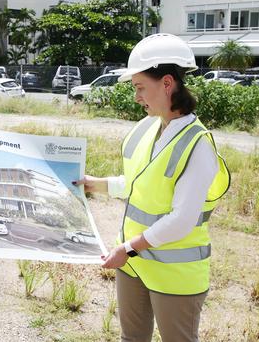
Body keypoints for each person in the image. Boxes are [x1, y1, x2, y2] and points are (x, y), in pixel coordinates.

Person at [74, 33, 230, 342]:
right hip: (134, 264)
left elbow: (182, 220)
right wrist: (96, 185)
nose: (136, 97)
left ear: (168, 83)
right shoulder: (149, 127)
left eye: (140, 87)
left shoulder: (197, 145)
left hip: (174, 272)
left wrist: (128, 248)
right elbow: (136, 184)